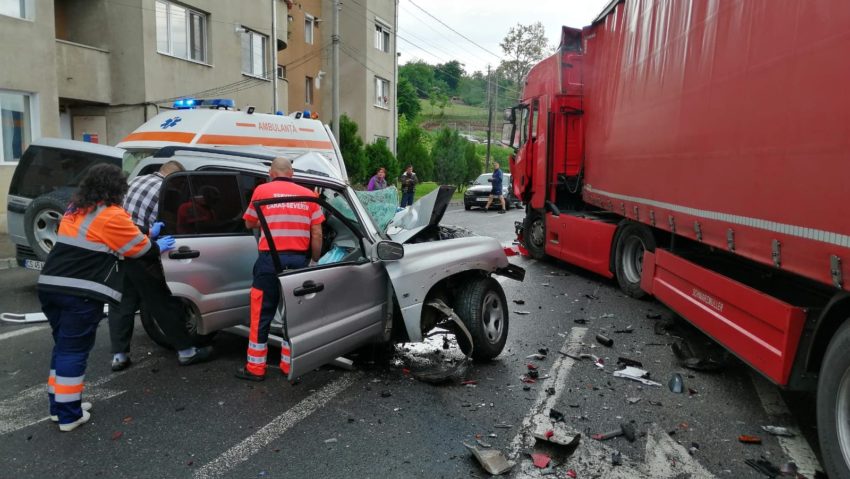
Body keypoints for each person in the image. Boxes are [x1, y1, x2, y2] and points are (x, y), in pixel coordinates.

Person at [37, 164, 175, 431]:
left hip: (51, 286)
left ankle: (60, 405)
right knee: (74, 351)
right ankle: (68, 415)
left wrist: (145, 233)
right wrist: (155, 242)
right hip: (78, 292)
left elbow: (106, 238)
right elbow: (136, 249)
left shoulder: (75, 208)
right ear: (116, 189)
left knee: (63, 348)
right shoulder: (112, 214)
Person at [108, 160, 213, 372]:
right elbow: (175, 224)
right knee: (163, 303)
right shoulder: (167, 190)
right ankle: (186, 352)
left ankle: (119, 356)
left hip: (118, 251)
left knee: (121, 305)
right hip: (142, 252)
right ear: (175, 176)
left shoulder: (137, 180)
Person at [235, 157, 324, 382]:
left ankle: (255, 368)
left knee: (261, 313)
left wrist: (270, 221)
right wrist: (314, 262)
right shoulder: (309, 196)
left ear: (272, 173)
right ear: (291, 173)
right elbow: (317, 234)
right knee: (293, 315)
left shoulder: (262, 191)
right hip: (298, 263)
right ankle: (289, 365)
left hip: (268, 261)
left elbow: (248, 223)